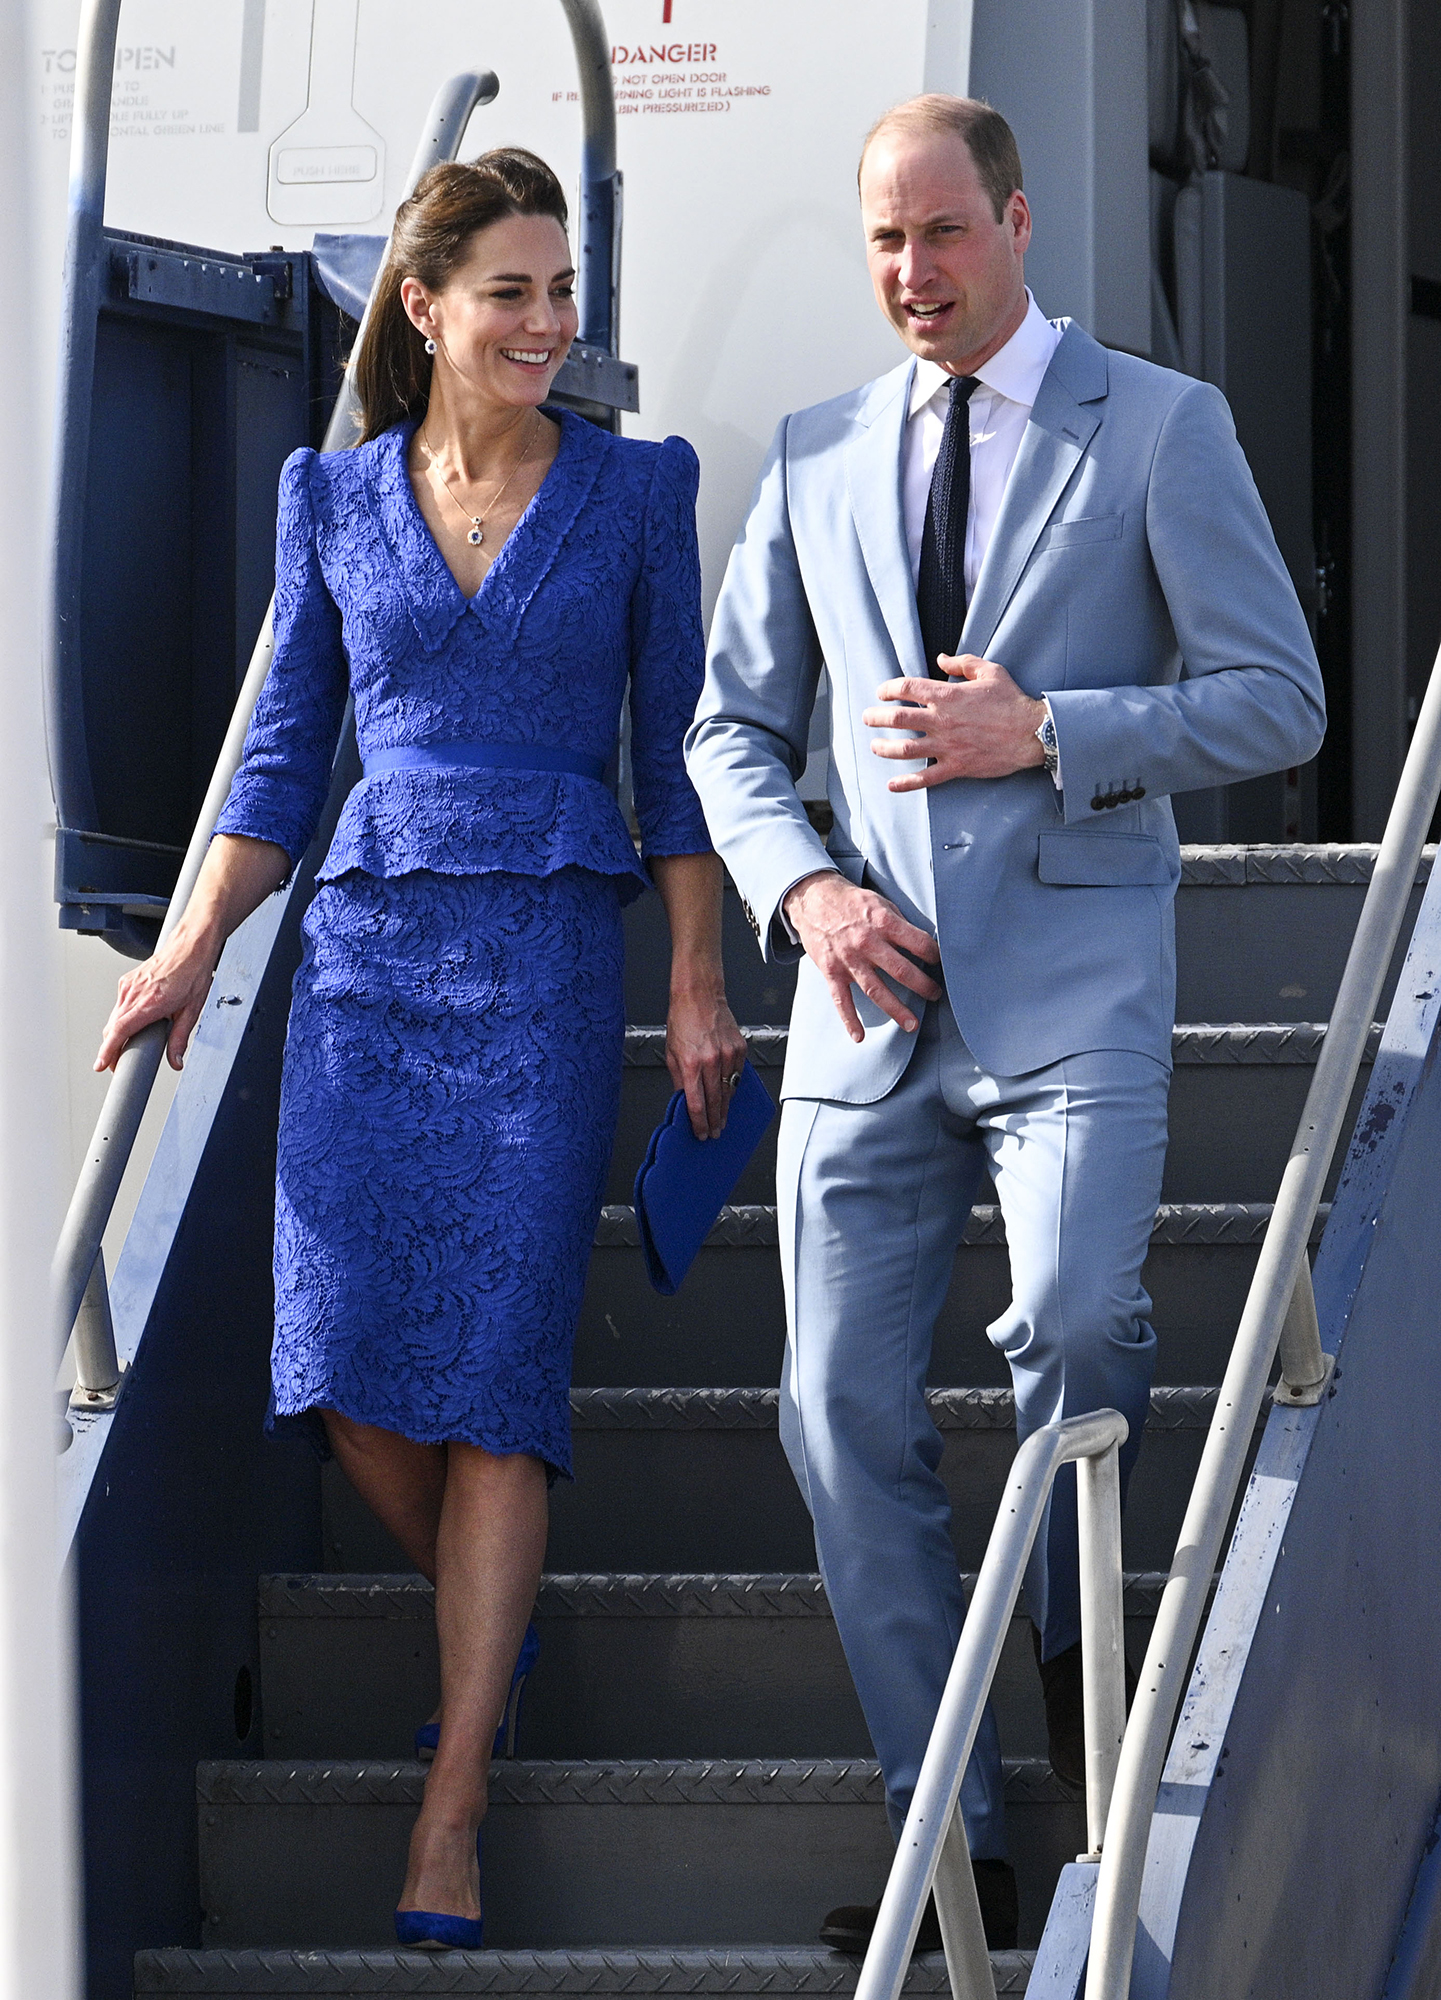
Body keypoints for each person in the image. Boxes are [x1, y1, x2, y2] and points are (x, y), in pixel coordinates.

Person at [685, 95, 1324, 1950]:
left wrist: (1054, 728)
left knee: (1071, 1325)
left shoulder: (1160, 427)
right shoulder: (812, 454)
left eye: (941, 236)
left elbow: (1274, 696)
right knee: (831, 1409)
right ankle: (943, 1826)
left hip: (1071, 988)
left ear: (1020, 223)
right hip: (861, 1006)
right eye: (883, 242)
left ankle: (1082, 1692)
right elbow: (729, 733)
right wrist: (802, 892)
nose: (910, 274)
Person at [96, 148, 745, 1950]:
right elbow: (282, 763)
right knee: (343, 1375)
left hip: (541, 958)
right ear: (424, 304)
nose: (549, 324)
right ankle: (494, 1630)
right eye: (513, 292)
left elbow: (675, 757)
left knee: (501, 1388)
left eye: (562, 292)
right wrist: (185, 951)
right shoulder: (330, 496)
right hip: (365, 961)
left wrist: (695, 976)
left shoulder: (633, 490)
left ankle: (447, 1808)